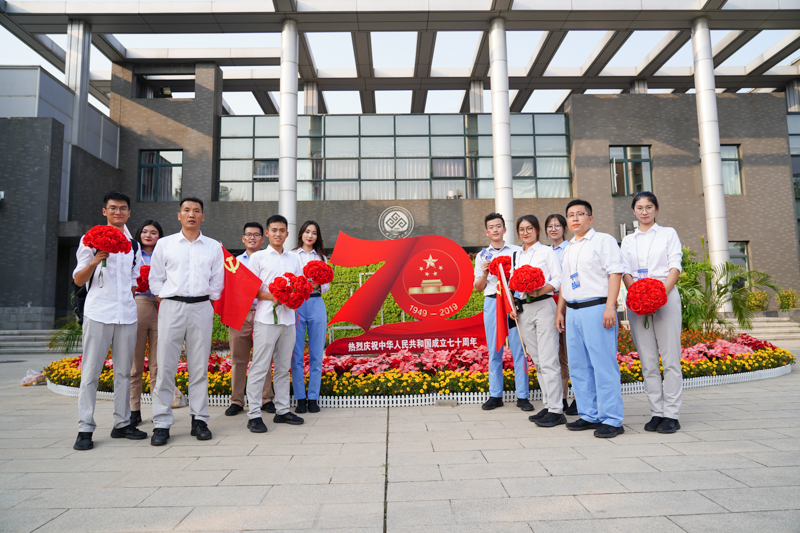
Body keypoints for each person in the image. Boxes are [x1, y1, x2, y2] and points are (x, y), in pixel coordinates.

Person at [72, 191, 146, 450]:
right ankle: (85, 428)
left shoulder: (133, 245)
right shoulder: (90, 239)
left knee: (124, 372)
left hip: (126, 315)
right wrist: (95, 260)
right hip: (98, 313)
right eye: (113, 208)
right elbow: (78, 279)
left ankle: (122, 423)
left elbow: (134, 283)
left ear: (129, 213)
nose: (118, 212)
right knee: (91, 372)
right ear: (104, 211)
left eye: (123, 208)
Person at [148, 197, 224, 446]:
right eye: (187, 210)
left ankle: (199, 419)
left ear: (203, 216)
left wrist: (207, 300)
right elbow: (155, 278)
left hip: (202, 307)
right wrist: (166, 299)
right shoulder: (165, 244)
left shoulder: (213, 246)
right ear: (179, 215)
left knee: (199, 367)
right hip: (171, 306)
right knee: (165, 366)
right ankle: (161, 423)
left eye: (196, 211)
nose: (191, 214)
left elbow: (217, 281)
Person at [556, 199, 626, 439]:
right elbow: (566, 282)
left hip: (597, 308)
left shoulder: (603, 240)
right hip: (573, 311)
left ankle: (612, 419)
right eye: (570, 215)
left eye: (580, 214)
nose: (575, 218)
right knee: (578, 366)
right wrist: (560, 311)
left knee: (603, 365)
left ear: (590, 218)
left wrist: (610, 307)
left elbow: (615, 273)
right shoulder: (568, 247)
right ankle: (589, 414)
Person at [621, 192, 683, 434]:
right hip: (637, 301)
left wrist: (658, 297)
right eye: (639, 207)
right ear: (633, 211)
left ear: (656, 209)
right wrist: (638, 296)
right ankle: (657, 412)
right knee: (647, 360)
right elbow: (625, 271)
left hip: (665, 297)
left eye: (649, 207)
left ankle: (672, 414)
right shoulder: (628, 240)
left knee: (670, 359)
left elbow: (675, 266)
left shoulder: (668, 234)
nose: (644, 211)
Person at [244, 215, 305, 433]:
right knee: (260, 367)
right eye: (274, 230)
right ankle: (254, 414)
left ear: (287, 234)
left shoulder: (294, 259)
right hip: (266, 319)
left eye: (282, 230)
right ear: (267, 233)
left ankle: (282, 410)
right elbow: (250, 289)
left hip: (288, 319)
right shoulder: (258, 258)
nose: (278, 234)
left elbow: (300, 286)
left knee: (282, 367)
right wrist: (273, 296)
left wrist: (295, 296)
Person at [474, 213, 532, 412]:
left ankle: (523, 396)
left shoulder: (517, 251)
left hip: (513, 303)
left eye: (498, 226)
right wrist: (484, 273)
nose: (495, 230)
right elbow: (478, 288)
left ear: (505, 229)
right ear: (487, 232)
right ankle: (495, 395)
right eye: (491, 227)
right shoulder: (482, 256)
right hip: (492, 303)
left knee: (519, 349)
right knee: (494, 350)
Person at [511, 215, 565, 428]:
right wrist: (513, 305)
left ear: (537, 230)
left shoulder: (546, 252)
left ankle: (557, 410)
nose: (525, 233)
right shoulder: (517, 255)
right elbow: (513, 284)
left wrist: (539, 291)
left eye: (529, 228)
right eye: (522, 229)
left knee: (549, 359)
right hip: (524, 310)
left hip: (544, 306)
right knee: (538, 361)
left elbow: (558, 279)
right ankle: (548, 404)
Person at [225, 222, 277, 417]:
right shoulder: (234, 263)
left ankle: (266, 398)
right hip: (240, 313)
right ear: (243, 238)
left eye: (256, 234)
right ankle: (237, 400)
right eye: (248, 234)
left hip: (263, 311)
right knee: (238, 358)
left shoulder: (268, 259)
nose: (252, 238)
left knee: (264, 357)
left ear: (263, 238)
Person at [291, 221, 330, 414]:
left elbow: (327, 285)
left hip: (316, 303)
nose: (310, 236)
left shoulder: (321, 257)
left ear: (317, 237)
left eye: (314, 233)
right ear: (301, 234)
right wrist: (301, 284)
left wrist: (317, 285)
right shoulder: (291, 255)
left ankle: (313, 398)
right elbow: (288, 278)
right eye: (307, 232)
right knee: (296, 354)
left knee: (316, 354)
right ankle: (300, 398)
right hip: (298, 304)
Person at [130, 219, 163, 427]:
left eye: (153, 232)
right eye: (144, 231)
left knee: (157, 365)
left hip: (161, 306)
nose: (148, 235)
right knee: (135, 364)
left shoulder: (164, 254)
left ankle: (159, 410)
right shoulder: (132, 253)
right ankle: (134, 410)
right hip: (139, 304)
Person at [545, 213, 577, 416]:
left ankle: (580, 397)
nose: (553, 229)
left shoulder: (571, 248)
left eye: (557, 225)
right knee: (557, 355)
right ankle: (562, 397)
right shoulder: (545, 252)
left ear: (565, 228)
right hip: (550, 303)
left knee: (573, 352)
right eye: (550, 226)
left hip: (569, 303)